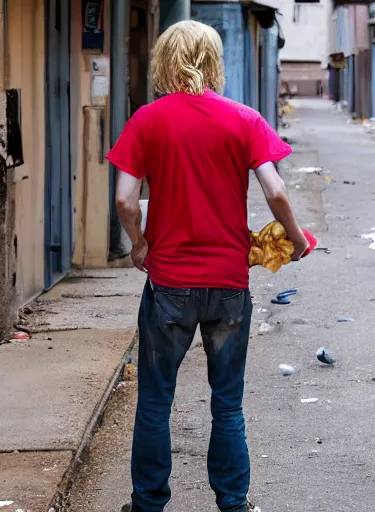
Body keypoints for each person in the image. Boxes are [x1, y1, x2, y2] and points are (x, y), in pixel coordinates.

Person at [107, 20, 309, 512]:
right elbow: (276, 190)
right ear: (213, 62)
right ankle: (233, 503)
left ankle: (149, 504)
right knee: (228, 403)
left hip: (170, 283)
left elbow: (126, 200)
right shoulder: (243, 119)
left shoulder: (147, 121)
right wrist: (297, 240)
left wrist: (139, 244)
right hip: (228, 285)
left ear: (164, 61)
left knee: (155, 402)